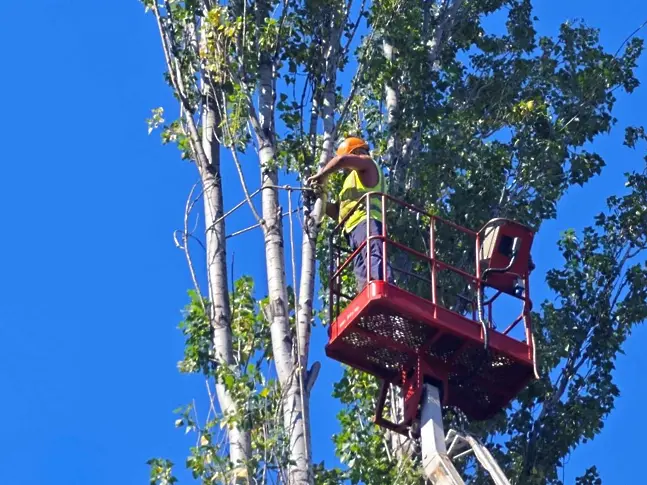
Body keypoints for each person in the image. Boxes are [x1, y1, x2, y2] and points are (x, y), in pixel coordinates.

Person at [307, 137, 392, 291]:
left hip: (367, 221)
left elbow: (342, 160)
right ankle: (367, 295)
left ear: (357, 152)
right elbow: (339, 212)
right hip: (353, 231)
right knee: (361, 270)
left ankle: (385, 289)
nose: (347, 169)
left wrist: (322, 175)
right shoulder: (351, 181)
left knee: (373, 257)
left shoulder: (367, 163)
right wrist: (321, 201)